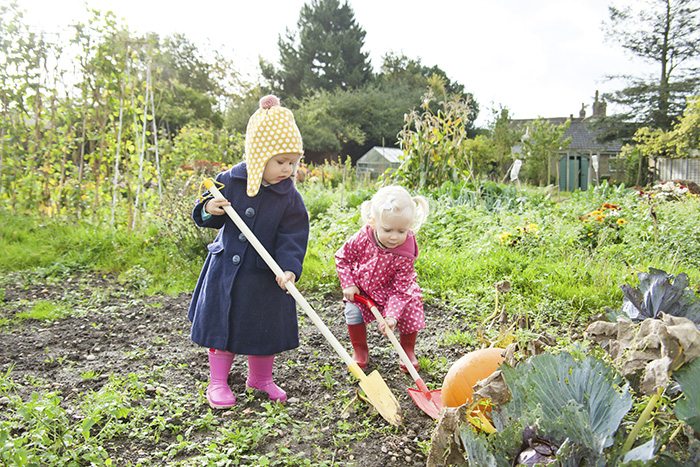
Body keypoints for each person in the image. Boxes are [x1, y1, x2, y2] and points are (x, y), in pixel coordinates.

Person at [188, 95, 309, 409]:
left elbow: (293, 236)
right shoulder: (231, 181)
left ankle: (260, 378)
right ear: (259, 156)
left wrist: (289, 268)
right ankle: (218, 382)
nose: (288, 169)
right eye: (280, 161)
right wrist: (209, 208)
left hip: (264, 277)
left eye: (293, 162)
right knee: (223, 326)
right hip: (227, 271)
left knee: (263, 327)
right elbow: (206, 213)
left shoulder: (289, 197)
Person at [335, 185, 429, 373]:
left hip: (393, 292)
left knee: (410, 309)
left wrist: (392, 315)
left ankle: (407, 350)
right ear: (373, 222)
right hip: (363, 288)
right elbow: (342, 258)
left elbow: (401, 288)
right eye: (388, 230)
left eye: (401, 231)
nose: (394, 237)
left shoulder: (406, 251)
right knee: (353, 312)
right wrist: (349, 284)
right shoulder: (362, 238)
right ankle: (360, 349)